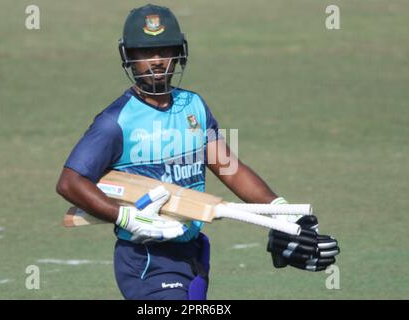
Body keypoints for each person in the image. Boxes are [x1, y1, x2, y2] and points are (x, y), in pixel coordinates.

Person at [56, 4, 339, 300]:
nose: (157, 61)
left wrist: (282, 211)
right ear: (129, 57)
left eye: (165, 50)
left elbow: (229, 167)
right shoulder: (115, 122)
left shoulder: (193, 106)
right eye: (145, 52)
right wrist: (125, 217)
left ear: (180, 52)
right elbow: (70, 182)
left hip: (193, 253)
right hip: (147, 258)